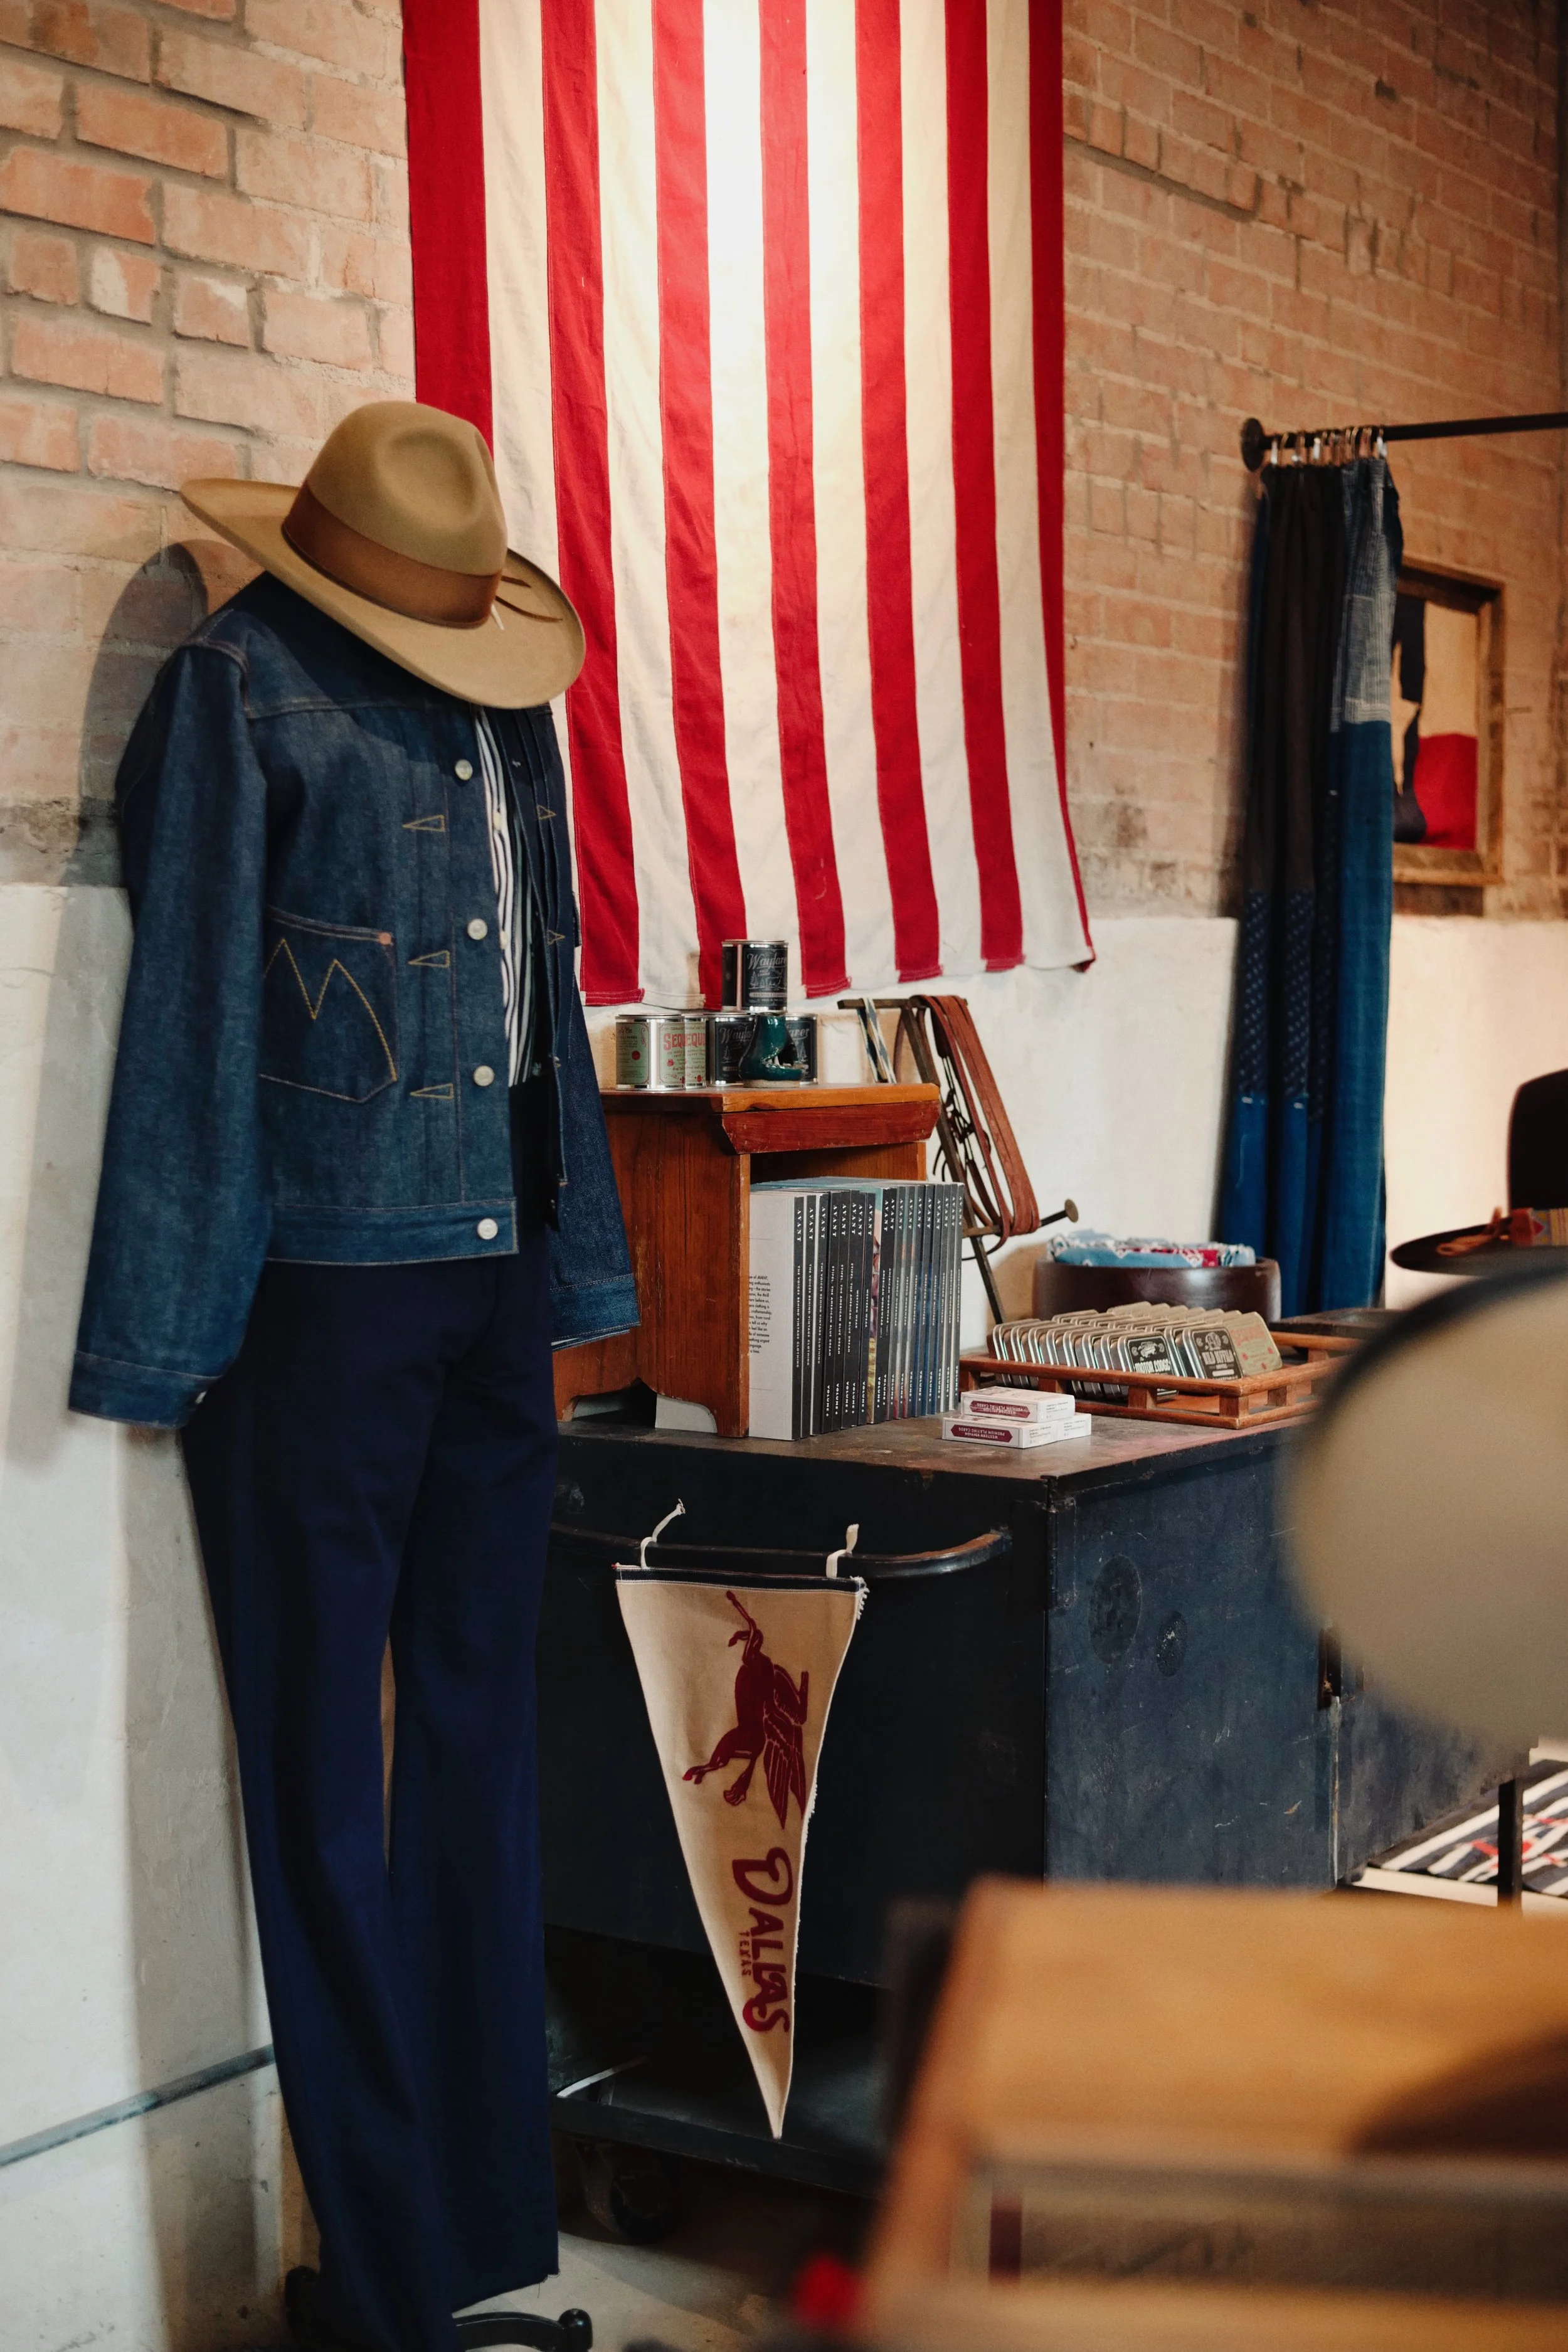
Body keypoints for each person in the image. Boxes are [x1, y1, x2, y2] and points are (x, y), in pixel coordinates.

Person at [70, 400, 637, 2352]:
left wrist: (575, 1266)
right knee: (322, 1778)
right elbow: (193, 1018)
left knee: (477, 1750)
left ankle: (473, 2254)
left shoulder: (506, 715)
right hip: (317, 1296)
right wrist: (163, 1328)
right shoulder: (240, 692)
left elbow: (549, 998)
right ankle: (385, 2297)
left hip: (491, 1276)